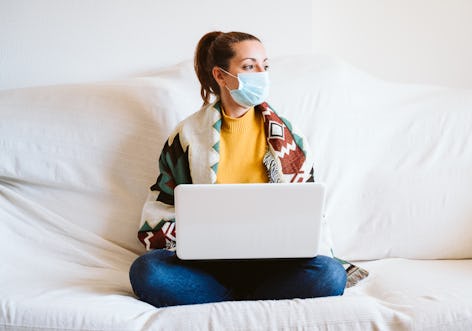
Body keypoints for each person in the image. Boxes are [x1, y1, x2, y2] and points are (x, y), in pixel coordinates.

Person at [129, 31, 348, 307]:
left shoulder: (289, 136)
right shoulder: (186, 137)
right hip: (207, 268)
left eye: (264, 66)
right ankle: (249, 300)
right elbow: (162, 208)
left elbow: (310, 213)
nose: (261, 74)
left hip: (275, 266)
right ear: (221, 76)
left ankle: (223, 301)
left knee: (330, 275)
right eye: (248, 66)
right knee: (146, 271)